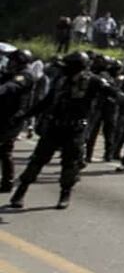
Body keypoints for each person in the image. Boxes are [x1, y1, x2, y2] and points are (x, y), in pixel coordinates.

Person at [8, 52, 116, 210]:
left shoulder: (93, 81)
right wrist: (26, 115)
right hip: (55, 127)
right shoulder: (61, 80)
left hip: (75, 129)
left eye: (68, 66)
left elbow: (116, 94)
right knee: (37, 160)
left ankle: (65, 194)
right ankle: (20, 192)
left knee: (70, 164)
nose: (64, 69)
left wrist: (110, 94)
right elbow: (47, 101)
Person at [0, 50, 36, 193]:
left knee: (5, 150)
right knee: (5, 151)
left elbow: (11, 87)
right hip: (5, 117)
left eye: (12, 61)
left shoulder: (25, 75)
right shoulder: (11, 74)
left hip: (11, 119)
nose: (9, 63)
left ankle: (8, 182)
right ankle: (7, 183)